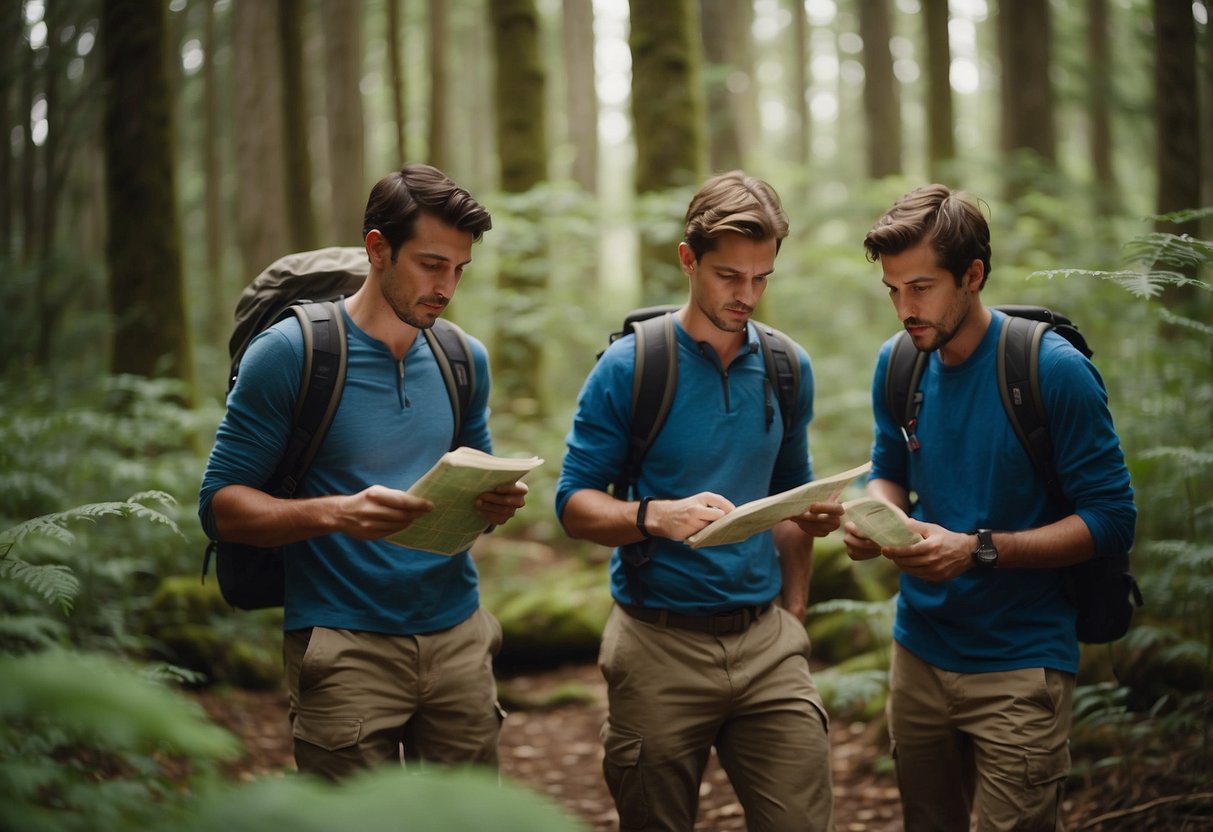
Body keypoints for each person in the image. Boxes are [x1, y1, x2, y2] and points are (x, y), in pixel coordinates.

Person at [198, 163, 528, 781]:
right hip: (343, 648)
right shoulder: (292, 354)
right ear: (378, 249)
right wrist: (338, 512)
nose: (447, 286)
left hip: (460, 638)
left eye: (459, 269)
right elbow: (219, 507)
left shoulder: (463, 358)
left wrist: (493, 503)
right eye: (432, 264)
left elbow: (475, 483)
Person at [556, 170, 836, 831]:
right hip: (657, 644)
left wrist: (793, 614)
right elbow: (573, 506)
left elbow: (792, 501)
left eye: (761, 277)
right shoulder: (630, 368)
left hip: (766, 644)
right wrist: (654, 516)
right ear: (688, 260)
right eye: (728, 276)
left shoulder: (786, 367)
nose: (746, 295)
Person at [850, 184, 1136, 830]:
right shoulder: (898, 364)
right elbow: (888, 471)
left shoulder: (1050, 370)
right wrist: (876, 520)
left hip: (1020, 663)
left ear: (972, 275)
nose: (904, 308)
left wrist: (978, 548)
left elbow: (1112, 519)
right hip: (917, 655)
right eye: (892, 289)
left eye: (920, 287)